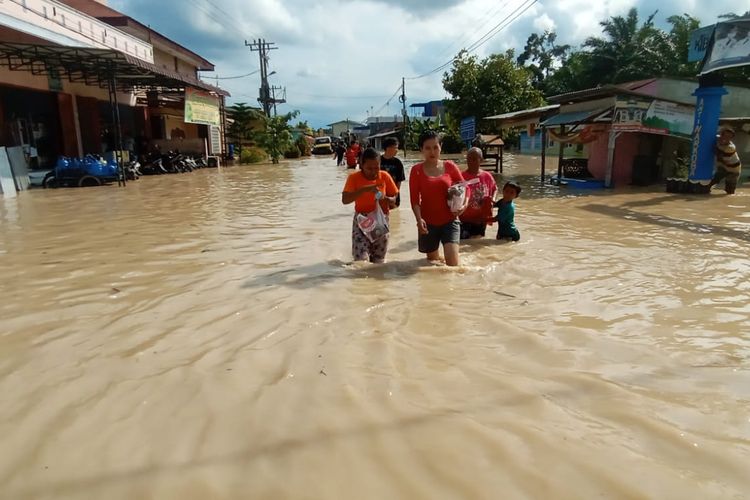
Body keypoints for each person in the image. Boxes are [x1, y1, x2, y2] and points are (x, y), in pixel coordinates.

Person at [409, 130, 467, 266]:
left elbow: (466, 187)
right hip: (428, 223)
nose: (432, 152)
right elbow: (414, 200)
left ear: (441, 147)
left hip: (450, 220)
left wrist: (464, 205)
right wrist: (419, 220)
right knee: (433, 263)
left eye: (436, 147)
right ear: (421, 150)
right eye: (427, 148)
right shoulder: (416, 170)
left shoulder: (450, 166)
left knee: (453, 265)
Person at [342, 147, 398, 263]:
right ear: (361, 165)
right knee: (361, 261)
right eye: (369, 168)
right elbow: (345, 200)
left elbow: (395, 199)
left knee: (378, 261)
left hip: (381, 221)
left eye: (376, 168)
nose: (373, 172)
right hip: (362, 221)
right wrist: (364, 190)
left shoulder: (385, 176)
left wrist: (387, 199)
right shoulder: (354, 178)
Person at [459, 147, 497, 239]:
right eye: (469, 159)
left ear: (481, 160)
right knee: (464, 244)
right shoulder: (461, 176)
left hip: (481, 219)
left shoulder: (487, 176)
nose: (471, 162)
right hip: (465, 219)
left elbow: (495, 188)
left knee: (478, 244)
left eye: (474, 159)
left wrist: (493, 199)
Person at [709, 125, 742, 194]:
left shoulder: (730, 148)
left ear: (731, 138)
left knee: (730, 191)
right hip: (723, 167)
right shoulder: (717, 139)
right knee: (711, 182)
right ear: (721, 135)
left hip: (733, 170)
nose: (726, 138)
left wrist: (714, 149)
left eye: (729, 137)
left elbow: (723, 159)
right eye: (724, 135)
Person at [380, 137, 406, 207]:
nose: (397, 150)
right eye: (395, 148)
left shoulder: (398, 163)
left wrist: (395, 196)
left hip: (393, 196)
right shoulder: (378, 161)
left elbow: (399, 181)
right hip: (379, 194)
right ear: (388, 148)